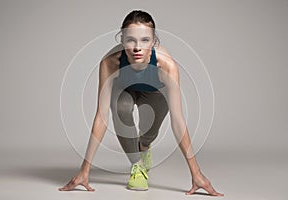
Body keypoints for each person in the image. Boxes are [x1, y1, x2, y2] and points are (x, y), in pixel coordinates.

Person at [59, 10, 224, 196]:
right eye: (131, 40)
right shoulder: (110, 62)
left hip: (154, 94)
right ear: (122, 40)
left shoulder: (166, 65)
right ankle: (137, 166)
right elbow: (101, 115)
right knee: (121, 108)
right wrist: (84, 170)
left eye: (144, 40)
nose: (137, 47)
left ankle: (144, 146)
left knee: (148, 133)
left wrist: (197, 173)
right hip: (124, 91)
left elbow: (178, 120)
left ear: (153, 42)